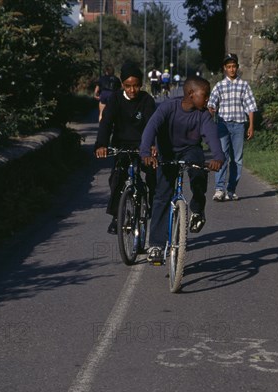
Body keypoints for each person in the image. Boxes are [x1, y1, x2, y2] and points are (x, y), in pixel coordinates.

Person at [140, 76, 225, 263]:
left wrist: (218, 157)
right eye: (206, 95)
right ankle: (156, 244)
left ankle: (197, 208)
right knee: (162, 195)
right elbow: (151, 128)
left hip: (190, 150)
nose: (208, 100)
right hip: (167, 152)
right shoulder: (168, 107)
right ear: (190, 94)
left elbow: (212, 137)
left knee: (198, 171)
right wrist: (146, 151)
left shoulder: (203, 114)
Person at [95, 62, 157, 234]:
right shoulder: (115, 99)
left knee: (153, 171)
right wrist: (101, 145)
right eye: (128, 86)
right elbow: (106, 123)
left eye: (136, 86)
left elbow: (154, 124)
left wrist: (153, 145)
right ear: (122, 84)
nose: (132, 90)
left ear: (141, 85)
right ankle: (117, 216)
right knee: (117, 178)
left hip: (143, 145)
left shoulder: (146, 100)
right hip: (122, 145)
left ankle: (153, 203)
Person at [208, 53, 258, 202]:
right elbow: (212, 104)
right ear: (224, 68)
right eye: (228, 67)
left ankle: (231, 189)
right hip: (223, 125)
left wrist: (251, 126)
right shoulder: (219, 86)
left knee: (237, 159)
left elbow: (250, 106)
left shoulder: (244, 85)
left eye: (234, 66)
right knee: (221, 156)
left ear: (237, 67)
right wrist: (210, 113)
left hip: (238, 125)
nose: (231, 69)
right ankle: (219, 189)